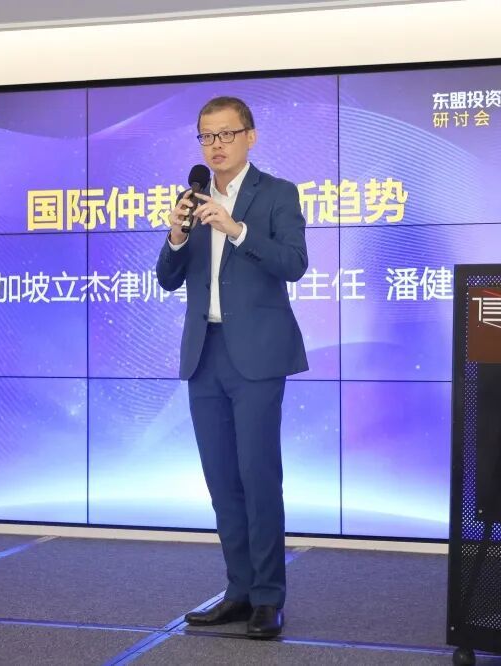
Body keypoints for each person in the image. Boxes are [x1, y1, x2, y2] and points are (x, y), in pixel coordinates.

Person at [156, 96, 309, 639]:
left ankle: (268, 596)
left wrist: (237, 229)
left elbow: (294, 263)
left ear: (250, 136)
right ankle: (239, 591)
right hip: (205, 353)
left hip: (258, 355)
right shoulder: (192, 199)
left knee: (258, 476)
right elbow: (167, 278)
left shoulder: (277, 194)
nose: (215, 145)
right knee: (222, 480)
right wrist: (177, 236)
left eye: (225, 134)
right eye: (206, 136)